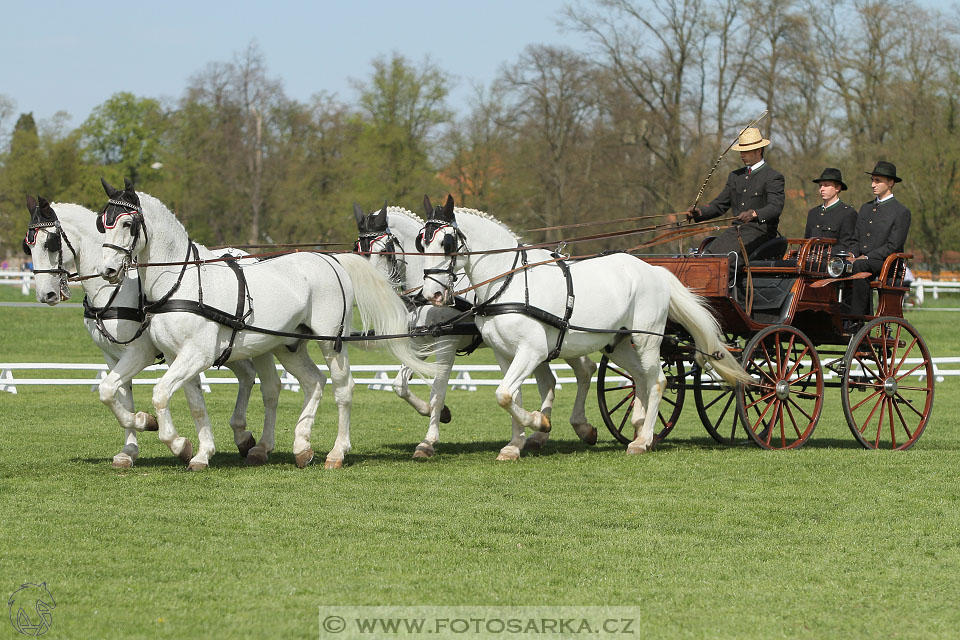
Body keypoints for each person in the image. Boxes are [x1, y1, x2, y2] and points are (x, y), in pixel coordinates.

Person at [688, 127, 785, 270]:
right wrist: (700, 212)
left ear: (758, 151)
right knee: (707, 257)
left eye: (746, 151)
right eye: (741, 151)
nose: (742, 155)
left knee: (726, 262)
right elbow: (720, 204)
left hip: (760, 232)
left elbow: (775, 207)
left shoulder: (772, 177)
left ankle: (729, 292)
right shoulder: (735, 176)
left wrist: (754, 214)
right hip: (735, 231)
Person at [848, 161, 911, 317]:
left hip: (886, 261)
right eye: (872, 180)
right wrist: (851, 255)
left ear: (890, 183)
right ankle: (838, 315)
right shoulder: (865, 208)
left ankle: (857, 318)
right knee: (838, 264)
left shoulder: (900, 211)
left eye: (878, 180)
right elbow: (856, 240)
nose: (873, 185)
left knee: (860, 265)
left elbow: (894, 245)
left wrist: (866, 256)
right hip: (863, 260)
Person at [804, 168, 857, 254]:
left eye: (826, 185)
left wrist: (821, 254)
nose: (822, 189)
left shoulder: (848, 213)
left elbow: (845, 245)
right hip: (808, 259)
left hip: (829, 261)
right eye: (820, 185)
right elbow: (806, 241)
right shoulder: (813, 213)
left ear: (837, 188)